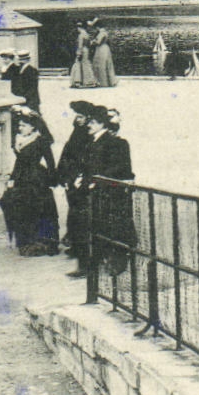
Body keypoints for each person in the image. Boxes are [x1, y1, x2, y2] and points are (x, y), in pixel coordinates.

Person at [74, 107, 134, 276]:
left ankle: (116, 263)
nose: (89, 126)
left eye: (93, 123)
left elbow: (119, 168)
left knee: (112, 228)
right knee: (92, 227)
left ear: (103, 125)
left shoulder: (116, 142)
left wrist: (96, 179)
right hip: (94, 191)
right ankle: (89, 266)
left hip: (109, 193)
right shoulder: (92, 141)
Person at [0, 107, 60, 255]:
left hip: (36, 178)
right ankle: (27, 242)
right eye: (19, 126)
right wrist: (12, 178)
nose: (20, 128)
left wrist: (52, 180)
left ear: (32, 127)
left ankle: (44, 242)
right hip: (22, 178)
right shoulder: (19, 140)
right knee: (22, 209)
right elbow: (19, 162)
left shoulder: (40, 141)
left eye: (24, 126)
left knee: (39, 209)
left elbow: (50, 162)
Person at [54, 103, 98, 258]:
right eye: (76, 116)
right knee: (74, 209)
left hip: (78, 177)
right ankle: (74, 242)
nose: (77, 119)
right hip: (70, 176)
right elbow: (67, 154)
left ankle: (79, 245)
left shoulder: (88, 135)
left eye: (80, 116)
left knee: (79, 211)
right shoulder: (77, 131)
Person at [90, 21, 117, 88]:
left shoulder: (101, 33)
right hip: (106, 48)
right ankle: (109, 81)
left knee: (101, 65)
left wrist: (92, 42)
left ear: (97, 27)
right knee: (107, 64)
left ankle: (102, 82)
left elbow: (98, 42)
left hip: (101, 49)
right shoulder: (105, 32)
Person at [69, 21, 97, 88]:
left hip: (82, 50)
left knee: (78, 65)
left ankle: (78, 81)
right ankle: (89, 81)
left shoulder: (81, 35)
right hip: (86, 50)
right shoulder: (87, 34)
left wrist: (79, 54)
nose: (77, 29)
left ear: (80, 28)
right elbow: (89, 44)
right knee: (86, 65)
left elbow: (80, 45)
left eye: (78, 27)